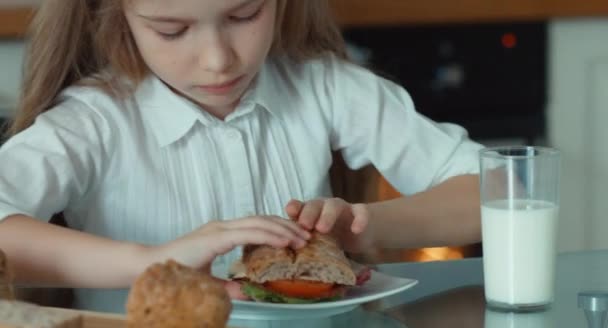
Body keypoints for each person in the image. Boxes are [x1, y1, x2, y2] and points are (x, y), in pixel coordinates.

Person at [0, 0, 482, 313]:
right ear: (115, 15)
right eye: (171, 30)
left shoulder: (327, 88)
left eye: (244, 15)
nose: (218, 59)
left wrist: (362, 224)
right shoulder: (92, 124)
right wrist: (154, 259)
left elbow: (502, 188)